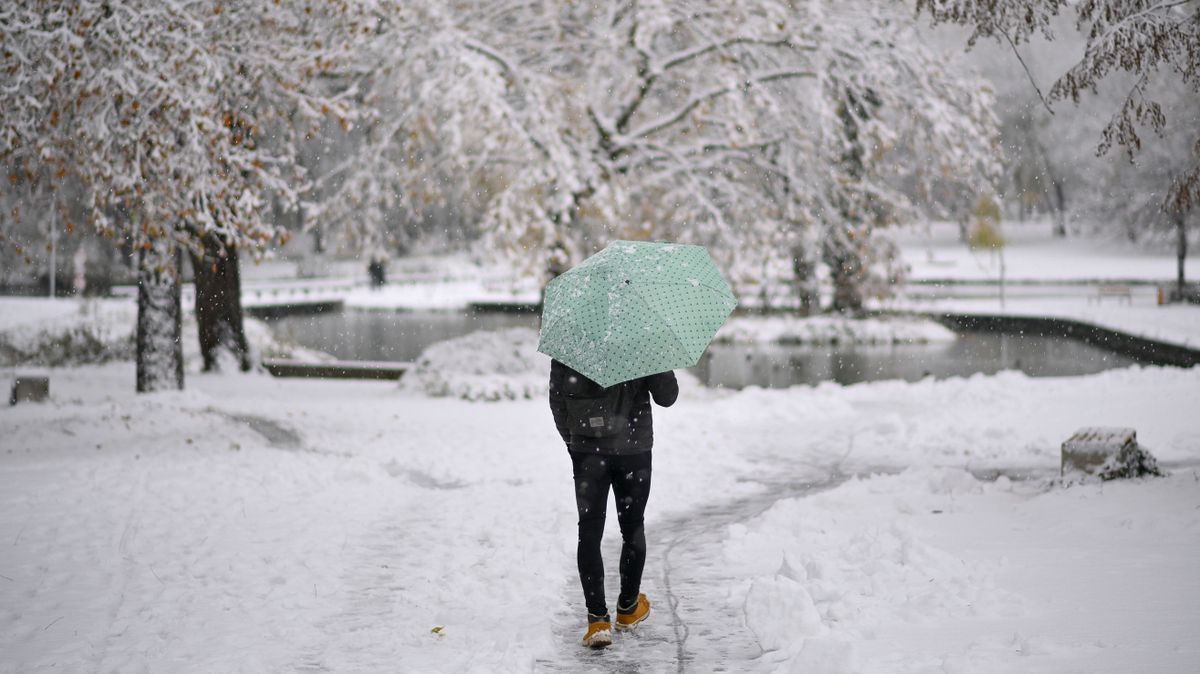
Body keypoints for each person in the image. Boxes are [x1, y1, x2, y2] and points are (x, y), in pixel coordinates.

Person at [548, 359, 679, 648]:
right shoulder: (643, 338)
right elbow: (667, 397)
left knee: (590, 531)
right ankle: (629, 609)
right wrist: (660, 359)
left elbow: (557, 399)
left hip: (587, 448)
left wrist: (574, 443)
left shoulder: (572, 338)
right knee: (632, 528)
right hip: (634, 449)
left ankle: (597, 620)